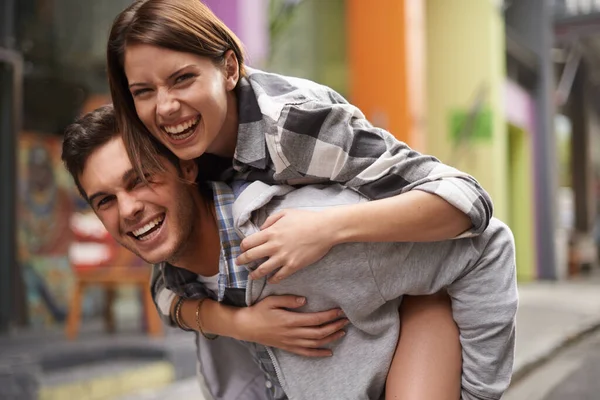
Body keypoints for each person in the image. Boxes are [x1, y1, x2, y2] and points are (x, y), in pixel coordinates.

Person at [106, 0, 496, 398]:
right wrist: (239, 324)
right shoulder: (169, 147)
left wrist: (326, 229)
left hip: (407, 297)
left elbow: (468, 201)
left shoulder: (292, 125)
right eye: (144, 91)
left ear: (228, 68)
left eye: (182, 79)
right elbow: (167, 280)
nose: (166, 106)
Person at [62, 105, 517, 400]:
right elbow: (167, 300)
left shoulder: (297, 233)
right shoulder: (178, 271)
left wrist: (476, 395)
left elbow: (487, 245)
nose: (128, 209)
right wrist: (230, 321)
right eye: (104, 200)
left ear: (186, 168)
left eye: (140, 178)